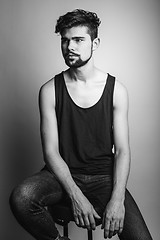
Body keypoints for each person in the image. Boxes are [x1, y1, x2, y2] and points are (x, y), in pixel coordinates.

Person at [9, 9, 153, 240]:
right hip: (60, 175)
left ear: (95, 43)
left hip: (103, 177)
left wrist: (117, 200)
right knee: (22, 197)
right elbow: (51, 152)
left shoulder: (117, 90)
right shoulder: (49, 91)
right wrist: (76, 196)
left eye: (78, 40)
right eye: (65, 41)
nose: (69, 47)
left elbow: (123, 151)